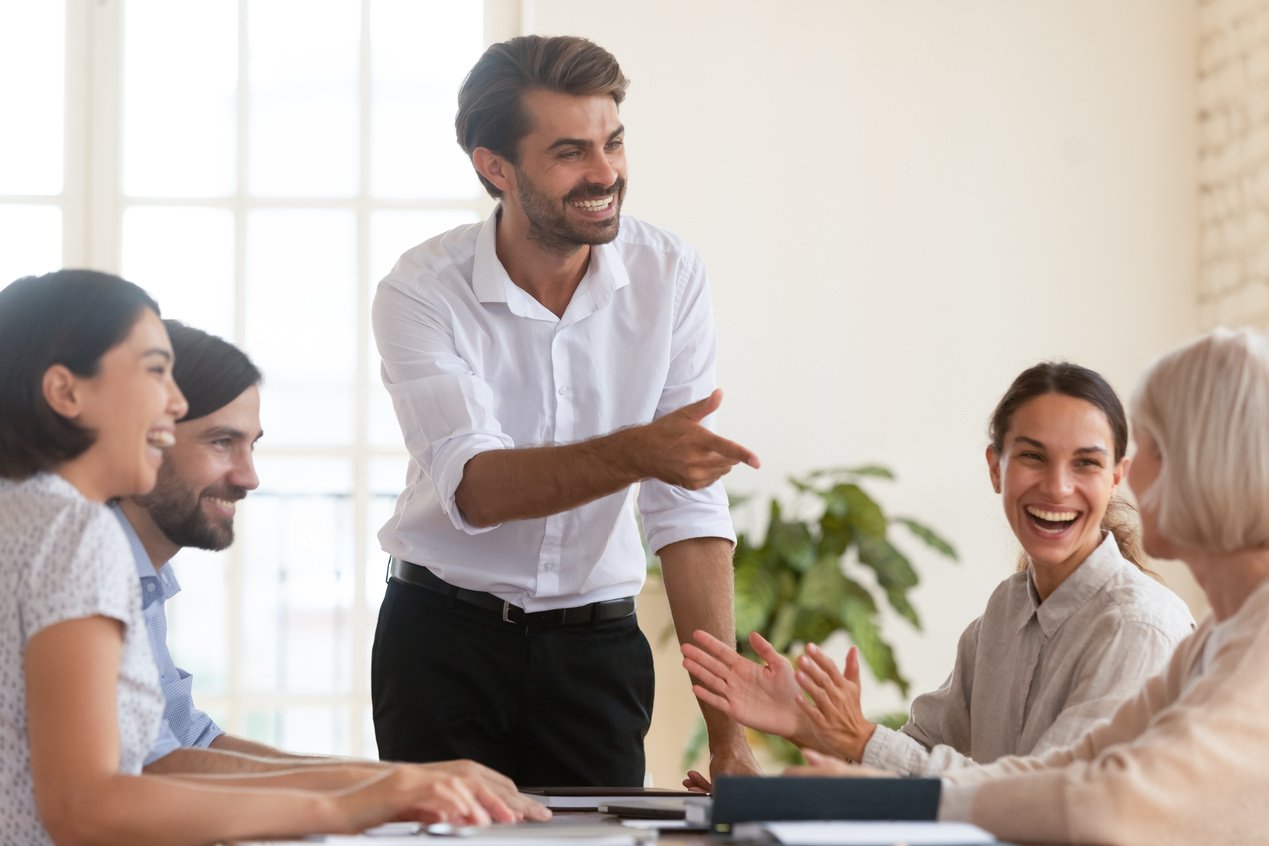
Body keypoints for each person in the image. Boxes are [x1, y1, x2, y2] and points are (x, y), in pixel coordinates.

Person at [0, 270, 514, 845]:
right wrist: (354, 806)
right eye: (153, 370)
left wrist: (378, 787)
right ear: (66, 392)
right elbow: (87, 805)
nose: (171, 404)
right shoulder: (76, 530)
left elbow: (150, 753)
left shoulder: (27, 514)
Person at [371, 34, 761, 786]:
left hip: (595, 652)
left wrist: (728, 738)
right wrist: (640, 452)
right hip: (440, 641)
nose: (606, 173)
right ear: (495, 167)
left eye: (613, 143)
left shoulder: (669, 275)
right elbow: (478, 490)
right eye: (570, 152)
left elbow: (687, 511)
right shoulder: (420, 291)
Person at [791, 328, 1269, 846]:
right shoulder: (1220, 636)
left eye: (1150, 444)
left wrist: (894, 784)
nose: (1130, 476)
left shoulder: (1212, 638)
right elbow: (1066, 770)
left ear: (1202, 467)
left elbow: (1109, 804)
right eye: (1034, 457)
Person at [114, 319, 545, 821]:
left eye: (250, 445)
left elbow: (191, 741)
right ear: (145, 436)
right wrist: (381, 790)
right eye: (220, 442)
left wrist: (395, 781)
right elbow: (154, 767)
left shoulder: (143, 578)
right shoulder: (94, 564)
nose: (249, 477)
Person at [682, 362, 1193, 782]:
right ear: (996, 468)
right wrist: (806, 727)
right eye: (1033, 457)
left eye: (1085, 464)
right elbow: (916, 753)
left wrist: (858, 738)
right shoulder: (1005, 611)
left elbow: (1050, 797)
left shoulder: (1138, 626)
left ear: (1117, 476)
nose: (1058, 488)